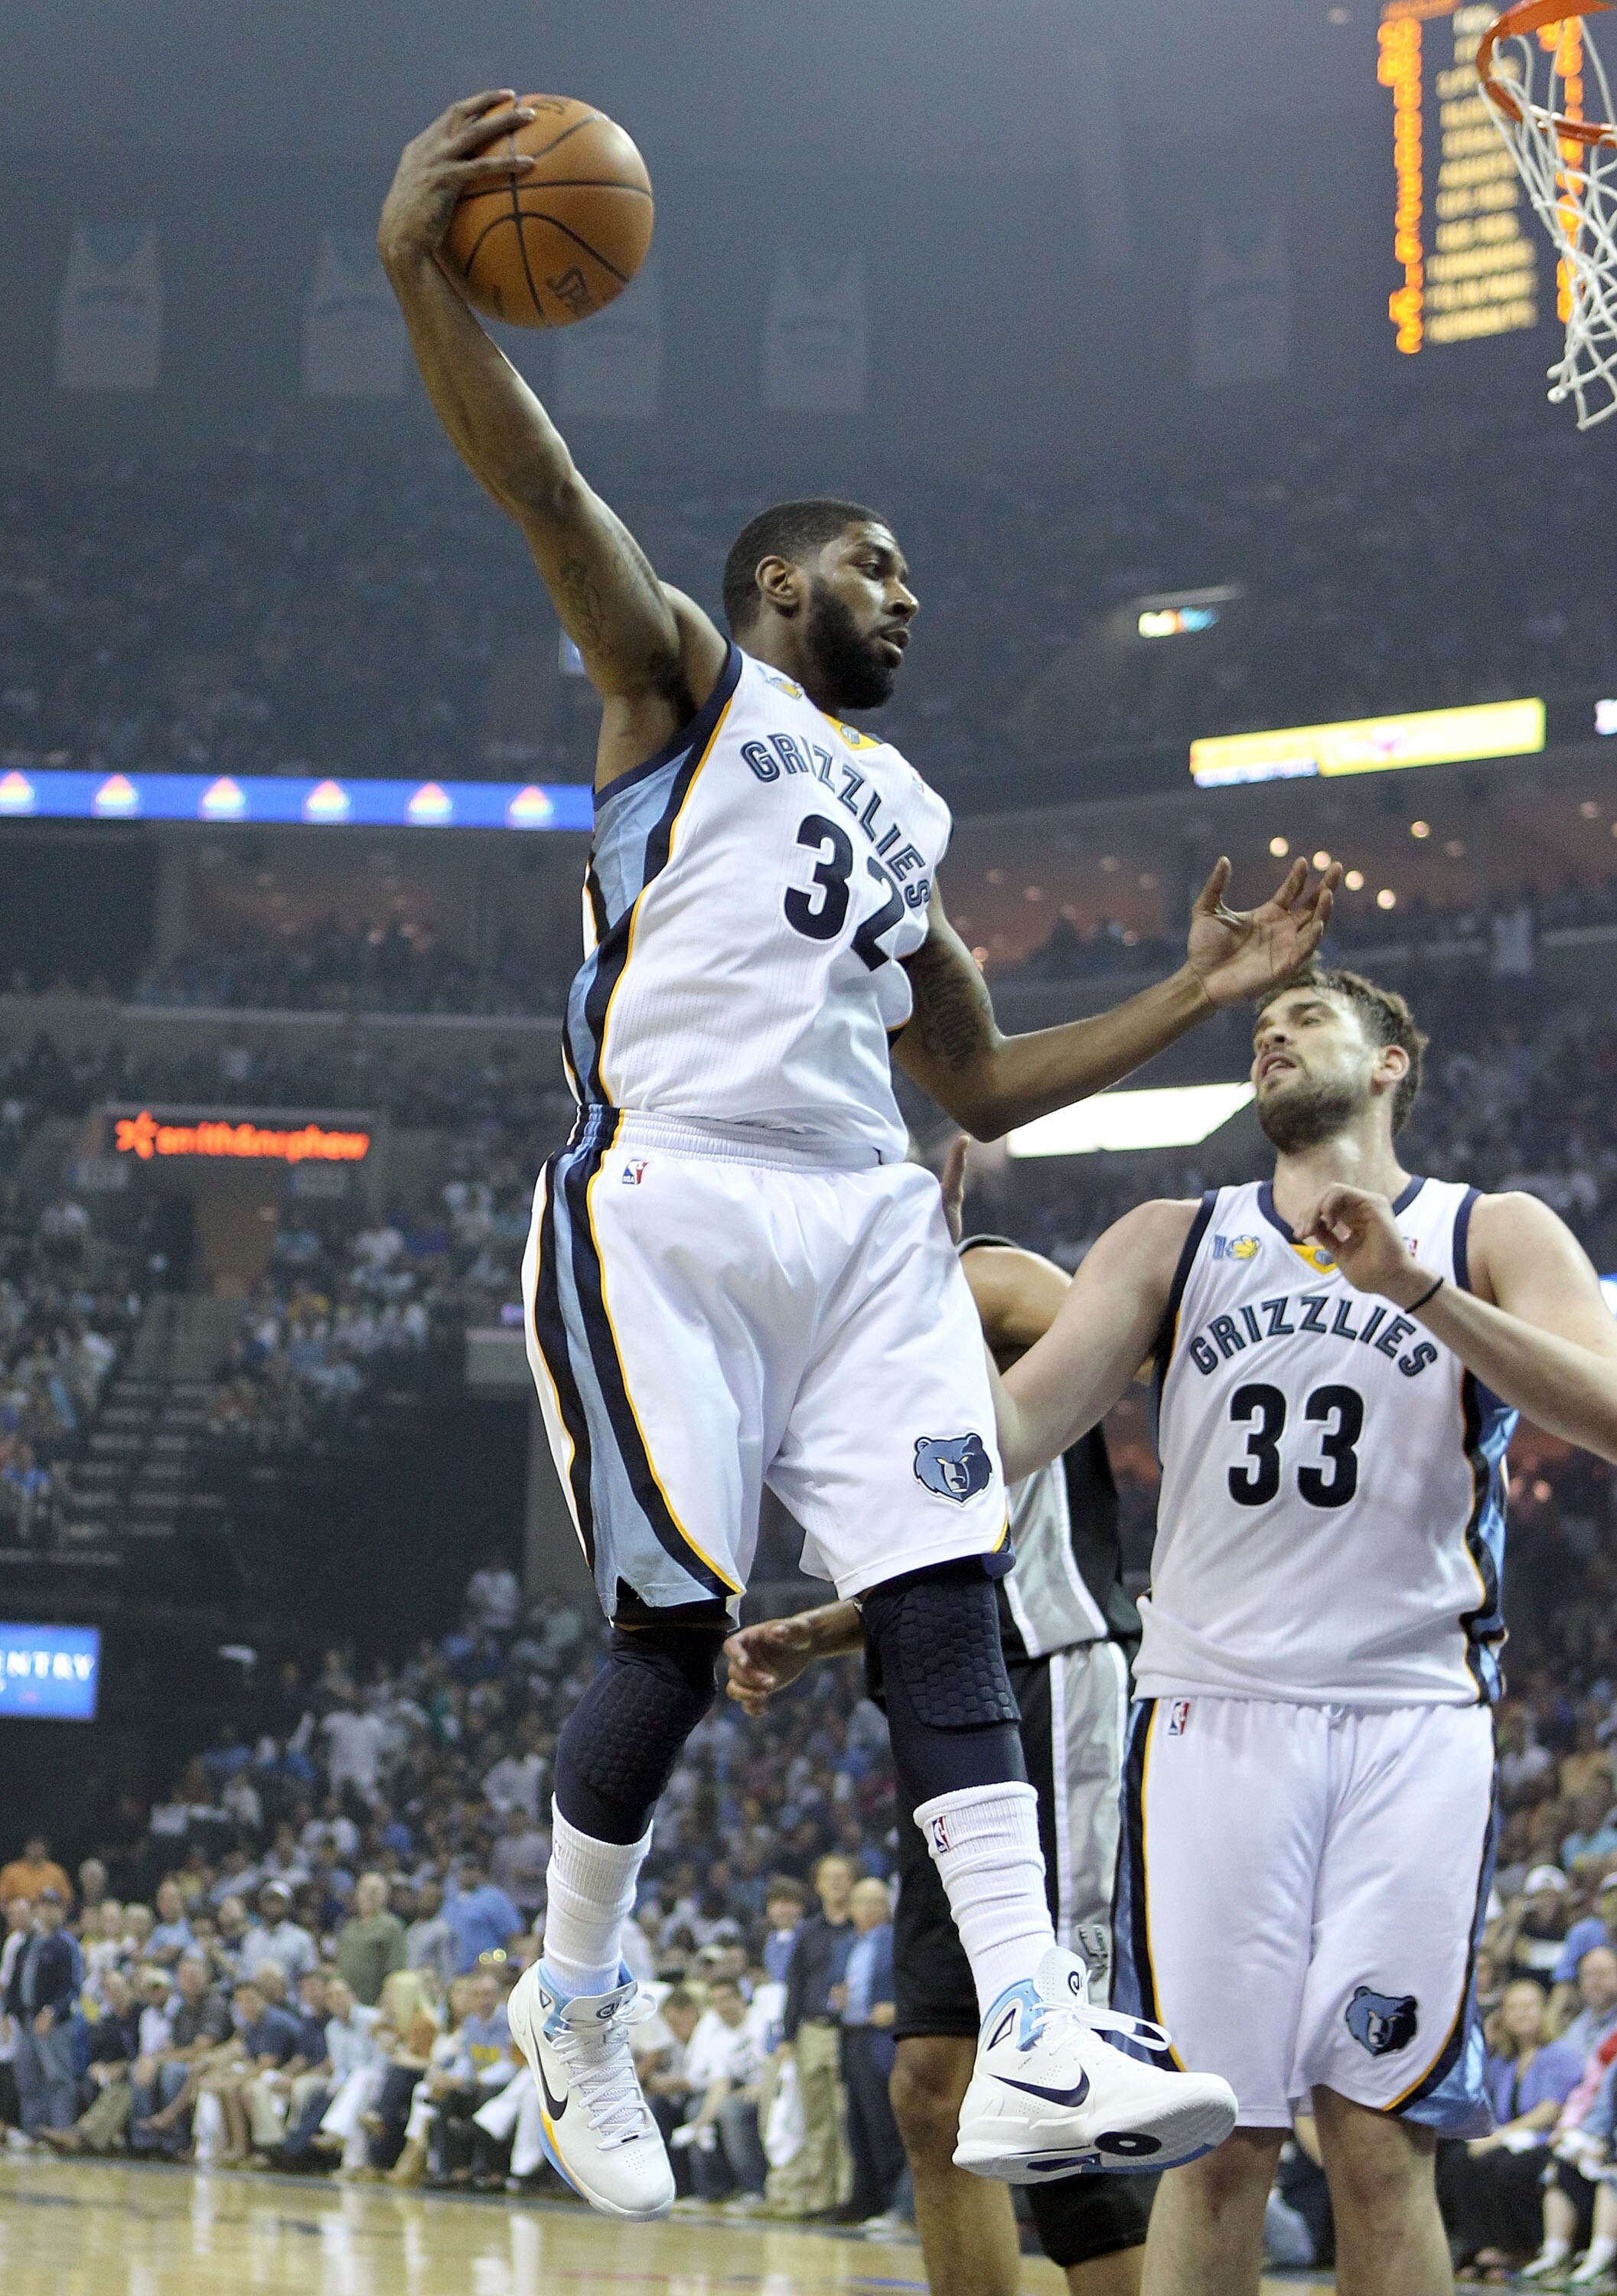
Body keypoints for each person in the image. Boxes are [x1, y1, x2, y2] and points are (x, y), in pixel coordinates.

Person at [378, 86, 1328, 2224]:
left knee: (939, 1602)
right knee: (666, 1619)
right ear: (781, 578)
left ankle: (1037, 2022)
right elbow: (539, 484)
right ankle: (573, 1990)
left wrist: (1194, 991)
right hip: (671, 1193)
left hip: (862, 1220)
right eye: (879, 563)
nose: (912, 592)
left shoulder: (908, 823)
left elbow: (979, 1091)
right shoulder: (683, 683)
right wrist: (415, 278)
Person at [983, 962, 1617, 2296]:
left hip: (1410, 1722)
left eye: (1307, 1018)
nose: (1270, 1033)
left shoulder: (1484, 1229)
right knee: (1215, 2146)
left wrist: (1417, 1291)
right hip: (1211, 1721)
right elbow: (1013, 1429)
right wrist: (884, 1320)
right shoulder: (1170, 1235)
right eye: (1261, 1028)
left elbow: (1608, 1409)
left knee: (1379, 2145)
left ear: (1391, 1062)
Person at [726, 1224, 1155, 2294]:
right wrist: (818, 1635)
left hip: (1056, 1673)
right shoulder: (837, 1361)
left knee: (1064, 2072)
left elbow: (1150, 1344)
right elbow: (930, 1553)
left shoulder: (980, 1276)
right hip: (942, 1702)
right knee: (930, 2081)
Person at [1438, 1977, 1583, 2276]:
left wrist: (1499, 2137)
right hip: (1508, 2140)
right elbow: (1480, 2099)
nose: (1522, 2014)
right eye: (1514, 2008)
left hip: (1545, 2140)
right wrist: (1486, 2046)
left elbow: (1549, 2110)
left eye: (1529, 2006)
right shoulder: (1504, 2060)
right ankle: (1482, 2246)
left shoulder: (1561, 2053)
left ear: (1544, 2010)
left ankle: (1518, 2249)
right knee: (1457, 2161)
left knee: (1504, 2167)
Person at [778, 1853, 856, 2216]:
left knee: (845, 2115)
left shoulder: (861, 1928)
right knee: (816, 2117)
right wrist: (787, 2033)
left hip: (848, 2031)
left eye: (844, 1877)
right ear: (819, 1885)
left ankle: (848, 2195)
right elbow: (795, 1982)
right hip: (811, 2028)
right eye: (830, 1877)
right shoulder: (809, 1930)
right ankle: (819, 2196)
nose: (837, 1883)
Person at [836, 1877, 905, 2228]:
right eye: (861, 1902)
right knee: (857, 2126)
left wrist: (898, 2008)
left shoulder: (896, 1941)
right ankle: (864, 2202)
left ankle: (895, 2205)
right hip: (852, 2037)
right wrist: (834, 2001)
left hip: (882, 2039)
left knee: (884, 2126)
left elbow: (914, 1986)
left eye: (876, 1902)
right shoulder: (847, 1943)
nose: (868, 1909)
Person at [5, 1888, 79, 2135]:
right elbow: (15, 1983)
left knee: (57, 2079)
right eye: (43, 1906)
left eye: (52, 1906)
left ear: (61, 1910)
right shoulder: (27, 1943)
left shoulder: (65, 1944)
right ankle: (32, 2133)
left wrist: (52, 2012)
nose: (47, 1911)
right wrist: (7, 2013)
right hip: (26, 2021)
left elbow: (72, 1987)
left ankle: (60, 2132)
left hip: (52, 2023)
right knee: (28, 2082)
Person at [335, 1870, 407, 2006]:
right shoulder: (349, 1927)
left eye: (375, 1891)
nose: (369, 1894)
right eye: (364, 1889)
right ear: (357, 1894)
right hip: (346, 2004)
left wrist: (387, 1999)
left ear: (386, 1896)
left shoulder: (391, 1926)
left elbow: (396, 1969)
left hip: (374, 2004)